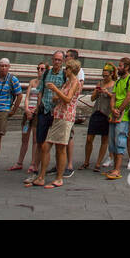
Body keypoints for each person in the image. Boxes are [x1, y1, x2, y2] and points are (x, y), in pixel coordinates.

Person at [40, 57, 81, 188]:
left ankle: (59, 178)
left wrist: (55, 90)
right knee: (47, 147)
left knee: (60, 148)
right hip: (58, 116)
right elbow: (62, 97)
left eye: (67, 68)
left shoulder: (75, 82)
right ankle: (41, 177)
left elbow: (68, 99)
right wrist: (56, 94)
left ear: (71, 70)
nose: (65, 70)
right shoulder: (68, 82)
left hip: (66, 117)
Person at [77, 64, 114, 175]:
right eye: (103, 75)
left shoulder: (115, 85)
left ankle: (98, 163)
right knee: (89, 138)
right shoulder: (99, 83)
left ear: (111, 74)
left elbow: (116, 98)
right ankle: (86, 161)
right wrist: (97, 92)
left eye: (106, 75)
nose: (104, 78)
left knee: (104, 139)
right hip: (96, 112)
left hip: (107, 113)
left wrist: (107, 93)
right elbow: (92, 98)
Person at [105, 57, 130, 180]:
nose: (118, 68)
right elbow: (113, 96)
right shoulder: (118, 82)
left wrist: (119, 110)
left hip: (123, 116)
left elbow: (129, 97)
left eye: (120, 66)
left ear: (127, 67)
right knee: (112, 142)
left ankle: (117, 169)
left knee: (120, 141)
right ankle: (114, 167)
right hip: (114, 115)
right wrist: (113, 108)